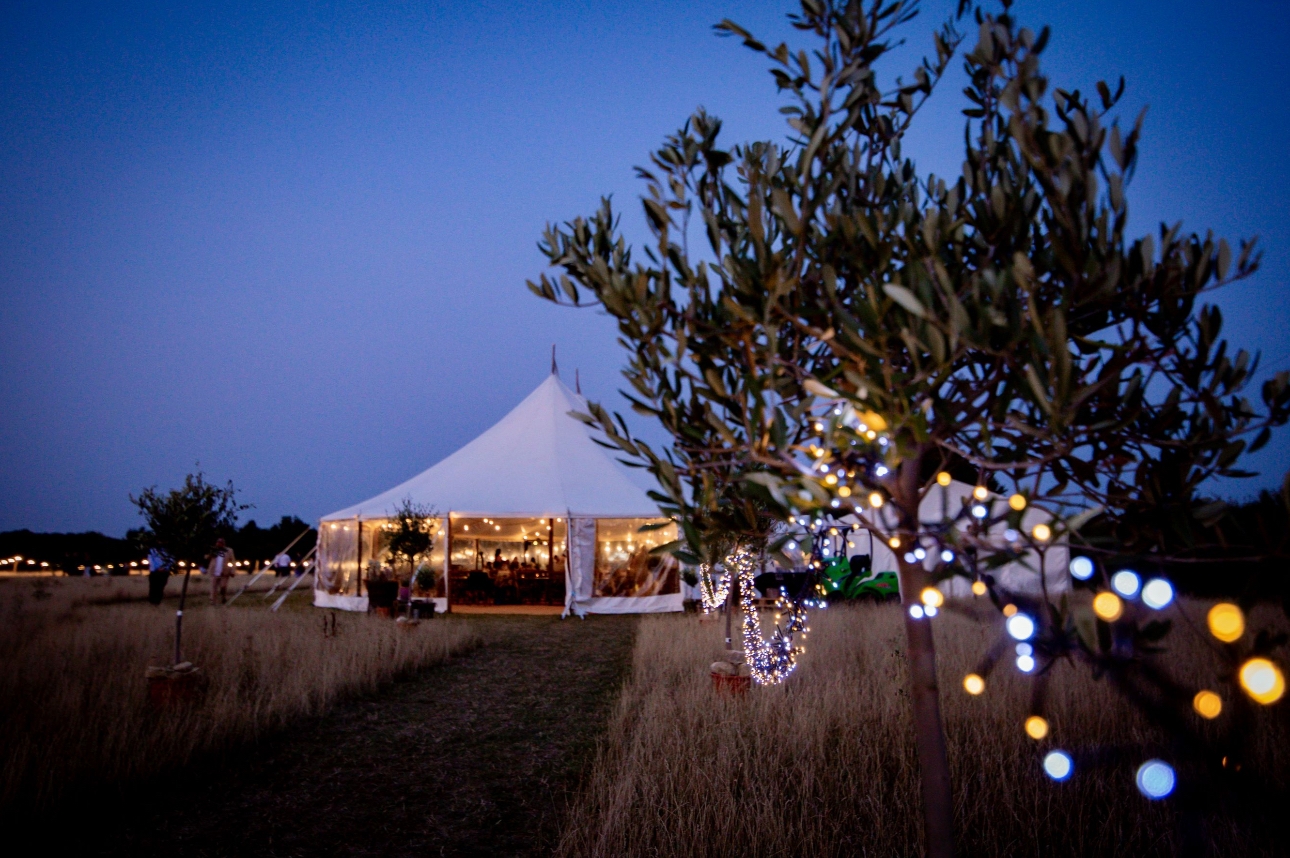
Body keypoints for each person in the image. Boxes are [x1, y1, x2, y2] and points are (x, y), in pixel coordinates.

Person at [207, 538, 236, 606]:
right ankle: (213, 601)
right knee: (213, 587)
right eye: (218, 542)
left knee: (223, 586)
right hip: (214, 572)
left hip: (224, 572)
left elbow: (233, 561)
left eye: (221, 543)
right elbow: (206, 557)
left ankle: (223, 597)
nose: (219, 544)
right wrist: (211, 554)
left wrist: (232, 571)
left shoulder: (229, 550)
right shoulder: (213, 549)